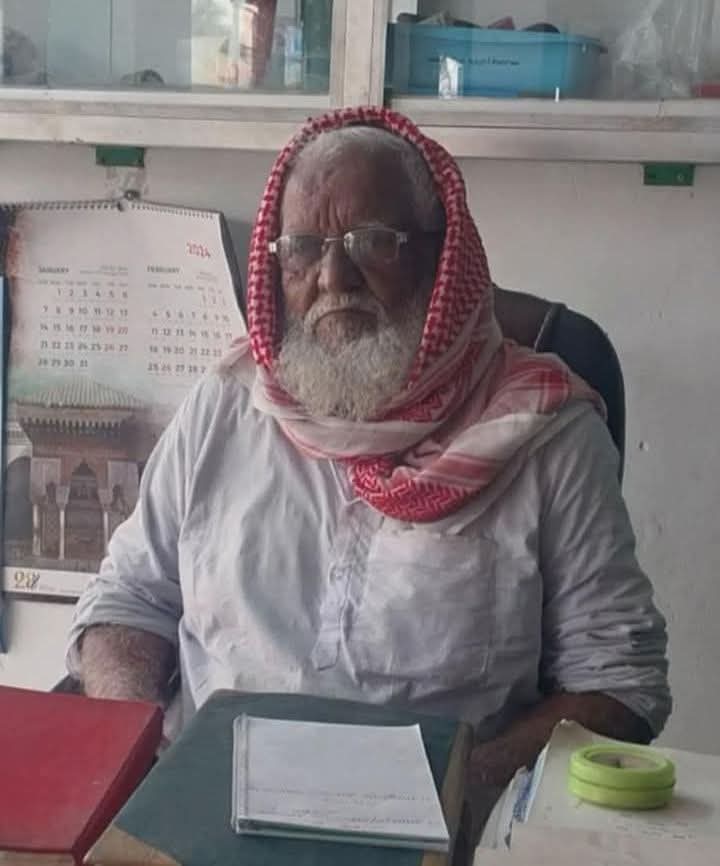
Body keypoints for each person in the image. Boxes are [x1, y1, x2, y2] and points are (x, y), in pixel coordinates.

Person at [67, 107, 670, 827]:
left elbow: (619, 685)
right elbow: (129, 601)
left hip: (439, 828)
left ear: (441, 258)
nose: (334, 277)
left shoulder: (548, 436)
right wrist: (135, 752)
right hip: (205, 812)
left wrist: (454, 793)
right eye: (304, 248)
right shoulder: (226, 404)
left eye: (372, 242)